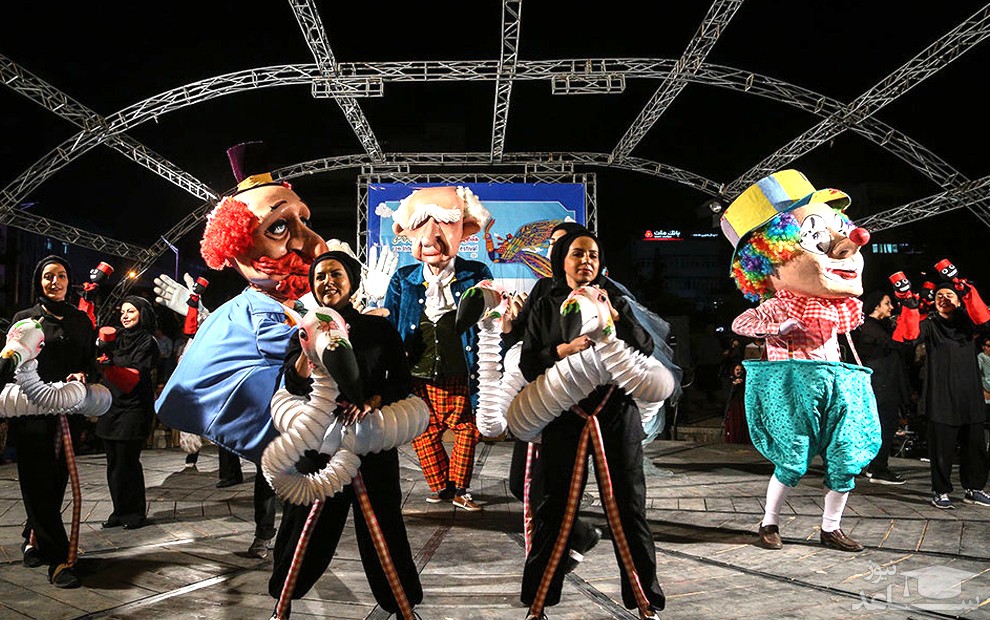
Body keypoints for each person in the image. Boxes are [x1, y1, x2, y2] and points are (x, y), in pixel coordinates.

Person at [156, 141, 329, 557]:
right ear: (235, 247)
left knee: (300, 481)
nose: (310, 243)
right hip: (278, 426)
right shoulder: (254, 309)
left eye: (303, 221)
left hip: (304, 425)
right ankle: (274, 540)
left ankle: (292, 540)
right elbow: (281, 343)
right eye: (279, 228)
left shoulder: (299, 303)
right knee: (277, 475)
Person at [722, 169, 880, 553]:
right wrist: (776, 328)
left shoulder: (836, 306)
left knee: (846, 457)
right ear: (770, 261)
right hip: (792, 387)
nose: (851, 244)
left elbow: (844, 332)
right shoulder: (777, 305)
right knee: (791, 460)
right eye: (816, 238)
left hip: (835, 382)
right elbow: (741, 323)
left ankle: (831, 527)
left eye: (841, 231)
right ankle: (769, 522)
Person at [518, 229, 664, 620]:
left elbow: (645, 349)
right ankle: (538, 602)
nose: (586, 261)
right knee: (555, 507)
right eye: (578, 254)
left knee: (628, 506)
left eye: (593, 256)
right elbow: (529, 363)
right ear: (562, 260)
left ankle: (646, 601)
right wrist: (562, 350)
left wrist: (614, 318)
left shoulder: (614, 300)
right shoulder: (546, 305)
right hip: (565, 413)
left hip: (616, 411)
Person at [268, 250, 423, 618]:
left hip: (370, 443)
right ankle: (283, 602)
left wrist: (373, 401)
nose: (328, 282)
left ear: (351, 281)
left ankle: (402, 606)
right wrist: (309, 344)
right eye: (320, 276)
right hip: (320, 446)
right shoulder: (302, 330)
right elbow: (292, 383)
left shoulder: (377, 329)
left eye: (335, 274)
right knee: (304, 525)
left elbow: (401, 381)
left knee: (383, 526)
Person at [383, 186, 493, 511]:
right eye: (420, 225)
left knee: (466, 429)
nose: (430, 237)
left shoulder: (475, 273)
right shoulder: (403, 278)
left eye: (444, 224)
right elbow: (390, 325)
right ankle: (441, 486)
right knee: (424, 430)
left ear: (464, 230)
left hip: (460, 368)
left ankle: (460, 488)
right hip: (418, 370)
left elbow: (489, 312)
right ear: (407, 232)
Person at [8, 255, 96, 588]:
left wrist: (84, 375)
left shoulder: (80, 320)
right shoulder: (24, 319)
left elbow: (91, 362)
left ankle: (32, 537)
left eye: (60, 276)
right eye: (48, 276)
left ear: (68, 281)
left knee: (56, 483)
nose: (54, 282)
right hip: (31, 414)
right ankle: (59, 559)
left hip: (67, 413)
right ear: (39, 281)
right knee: (36, 483)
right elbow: (10, 362)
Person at [892, 275, 990, 509]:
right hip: (942, 396)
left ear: (958, 300)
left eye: (949, 295)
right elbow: (909, 336)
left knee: (975, 446)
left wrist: (967, 290)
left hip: (969, 395)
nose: (944, 299)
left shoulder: (967, 323)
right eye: (939, 296)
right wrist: (910, 306)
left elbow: (983, 318)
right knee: (942, 449)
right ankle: (941, 491)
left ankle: (974, 489)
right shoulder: (930, 324)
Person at [97, 295, 159, 530]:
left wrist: (110, 366)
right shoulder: (117, 337)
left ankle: (134, 513)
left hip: (134, 408)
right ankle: (119, 511)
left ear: (142, 314)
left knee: (127, 462)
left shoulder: (148, 341)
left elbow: (133, 376)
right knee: (113, 463)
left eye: (131, 311)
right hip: (110, 406)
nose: (125, 316)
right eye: (122, 311)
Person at [851, 290, 911, 484]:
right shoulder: (869, 327)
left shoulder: (879, 327)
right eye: (887, 303)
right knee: (883, 426)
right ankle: (878, 468)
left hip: (886, 383)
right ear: (876, 305)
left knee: (884, 426)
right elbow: (896, 344)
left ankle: (874, 466)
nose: (891, 307)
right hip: (880, 385)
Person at [721, 362, 750, 445]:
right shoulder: (728, 380)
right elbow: (727, 393)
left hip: (741, 405)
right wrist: (733, 385)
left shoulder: (744, 380)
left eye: (740, 370)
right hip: (732, 406)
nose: (739, 371)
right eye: (737, 370)